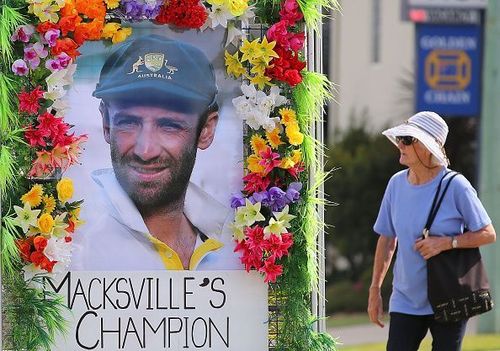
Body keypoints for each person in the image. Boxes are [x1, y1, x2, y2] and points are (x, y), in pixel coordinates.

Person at [70, 35, 242, 271]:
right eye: (128, 122)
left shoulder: (240, 239)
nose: (145, 150)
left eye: (169, 126)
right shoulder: (71, 246)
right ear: (107, 124)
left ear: (206, 130)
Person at [368, 111, 496, 351]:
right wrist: (375, 289)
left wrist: (447, 243)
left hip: (449, 297)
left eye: (407, 140)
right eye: (400, 138)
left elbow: (488, 233)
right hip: (405, 300)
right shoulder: (396, 184)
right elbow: (387, 239)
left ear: (426, 147)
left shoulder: (456, 185)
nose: (400, 145)